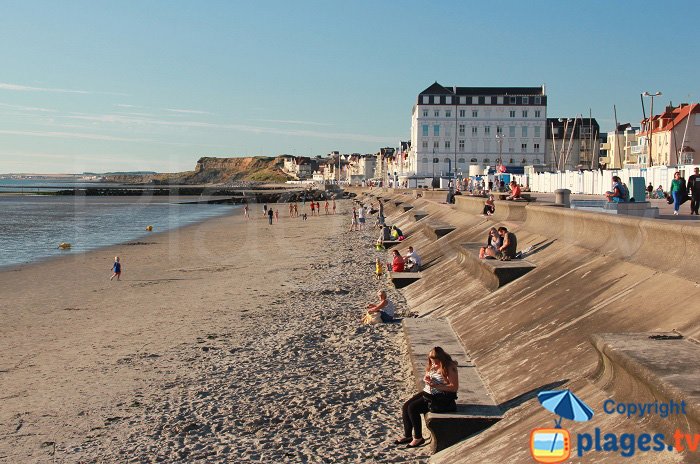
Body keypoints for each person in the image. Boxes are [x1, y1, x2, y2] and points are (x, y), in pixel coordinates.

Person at [396, 347, 458, 448]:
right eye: (431, 361)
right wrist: (427, 379)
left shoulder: (449, 367)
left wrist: (437, 386)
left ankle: (418, 438)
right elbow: (428, 375)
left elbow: (454, 387)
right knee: (406, 406)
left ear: (441, 360)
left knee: (413, 408)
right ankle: (408, 436)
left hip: (440, 396)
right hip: (428, 391)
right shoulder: (431, 364)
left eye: (436, 362)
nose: (433, 364)